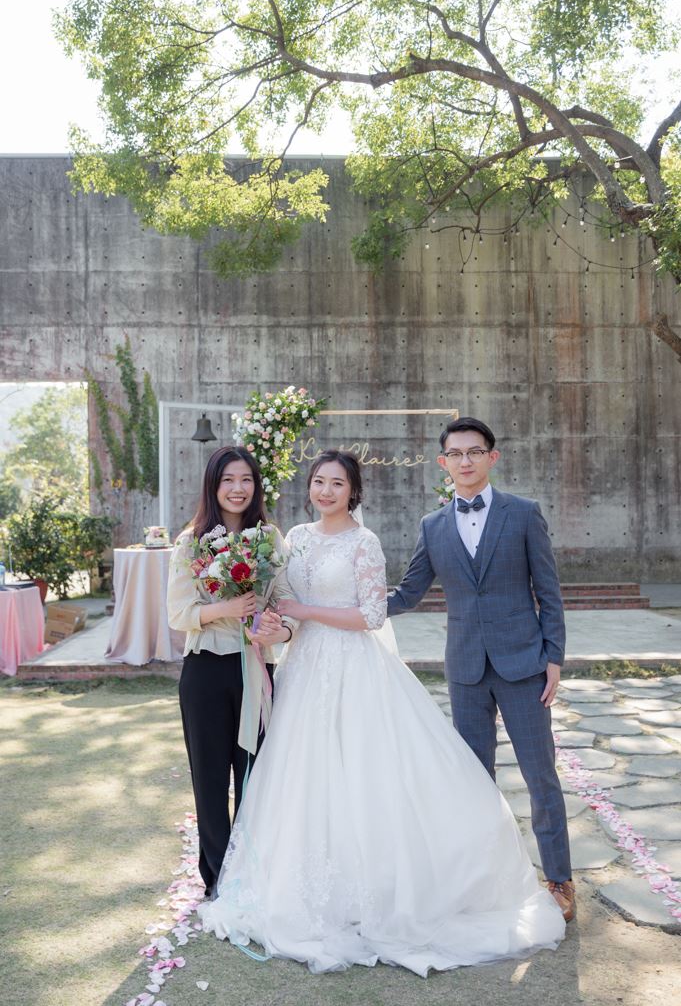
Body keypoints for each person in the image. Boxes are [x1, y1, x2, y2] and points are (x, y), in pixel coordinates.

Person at [198, 449, 565, 975]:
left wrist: (304, 611)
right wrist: (277, 626)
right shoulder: (294, 538)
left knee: (365, 775)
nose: (326, 491)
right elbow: (285, 607)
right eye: (319, 481)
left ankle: (380, 890)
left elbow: (372, 614)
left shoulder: (364, 541)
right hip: (304, 671)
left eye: (337, 483)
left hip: (355, 667)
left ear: (353, 491)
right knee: (307, 777)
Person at [387, 417, 574, 922]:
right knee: (473, 780)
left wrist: (553, 656)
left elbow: (549, 591)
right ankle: (485, 881)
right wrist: (347, 605)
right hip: (466, 668)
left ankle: (559, 878)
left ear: (492, 457)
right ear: (442, 463)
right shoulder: (433, 526)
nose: (465, 461)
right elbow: (408, 592)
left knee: (540, 776)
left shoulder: (524, 513)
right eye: (455, 453)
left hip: (524, 664)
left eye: (474, 452)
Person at [167, 446, 297, 899]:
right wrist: (228, 607)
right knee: (209, 779)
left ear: (256, 486)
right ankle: (219, 879)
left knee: (255, 776)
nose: (238, 489)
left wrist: (279, 630)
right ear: (213, 485)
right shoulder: (191, 542)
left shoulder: (271, 539)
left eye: (246, 480)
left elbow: (287, 603)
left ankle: (253, 873)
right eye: (228, 480)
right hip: (205, 670)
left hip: (257, 670)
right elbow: (179, 613)